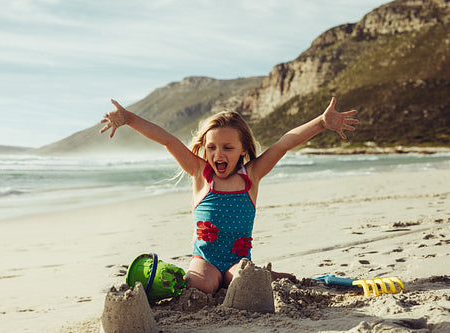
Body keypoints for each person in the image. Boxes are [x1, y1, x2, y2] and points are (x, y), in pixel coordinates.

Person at [100, 97, 358, 295]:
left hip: (238, 261)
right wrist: (129, 118)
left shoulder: (252, 175)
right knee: (201, 285)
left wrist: (321, 123)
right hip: (206, 260)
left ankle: (274, 276)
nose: (218, 154)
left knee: (244, 282)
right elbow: (168, 140)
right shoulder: (200, 173)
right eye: (211, 147)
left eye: (227, 147)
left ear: (243, 149)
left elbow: (284, 143)